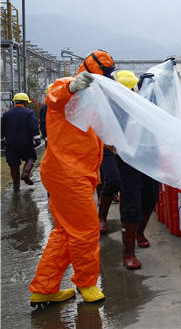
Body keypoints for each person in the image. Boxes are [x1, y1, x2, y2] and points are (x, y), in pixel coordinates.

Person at [29, 49, 116, 307]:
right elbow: (53, 97)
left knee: (65, 233)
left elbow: (88, 130)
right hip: (68, 174)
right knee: (86, 230)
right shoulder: (68, 85)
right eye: (106, 73)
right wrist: (73, 87)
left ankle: (44, 288)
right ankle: (86, 282)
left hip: (75, 172)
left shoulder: (91, 96)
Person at [112, 70, 160, 270]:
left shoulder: (144, 104)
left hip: (149, 155)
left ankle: (140, 232)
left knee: (150, 198)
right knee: (131, 204)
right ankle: (128, 252)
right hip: (128, 160)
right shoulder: (113, 108)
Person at [1, 93, 41, 190]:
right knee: (31, 157)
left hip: (11, 144)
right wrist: (37, 138)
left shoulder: (6, 114)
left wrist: (2, 140)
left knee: (13, 164)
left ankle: (16, 185)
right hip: (26, 143)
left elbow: (2, 129)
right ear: (26, 102)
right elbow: (34, 127)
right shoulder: (29, 113)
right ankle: (26, 173)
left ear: (15, 102)